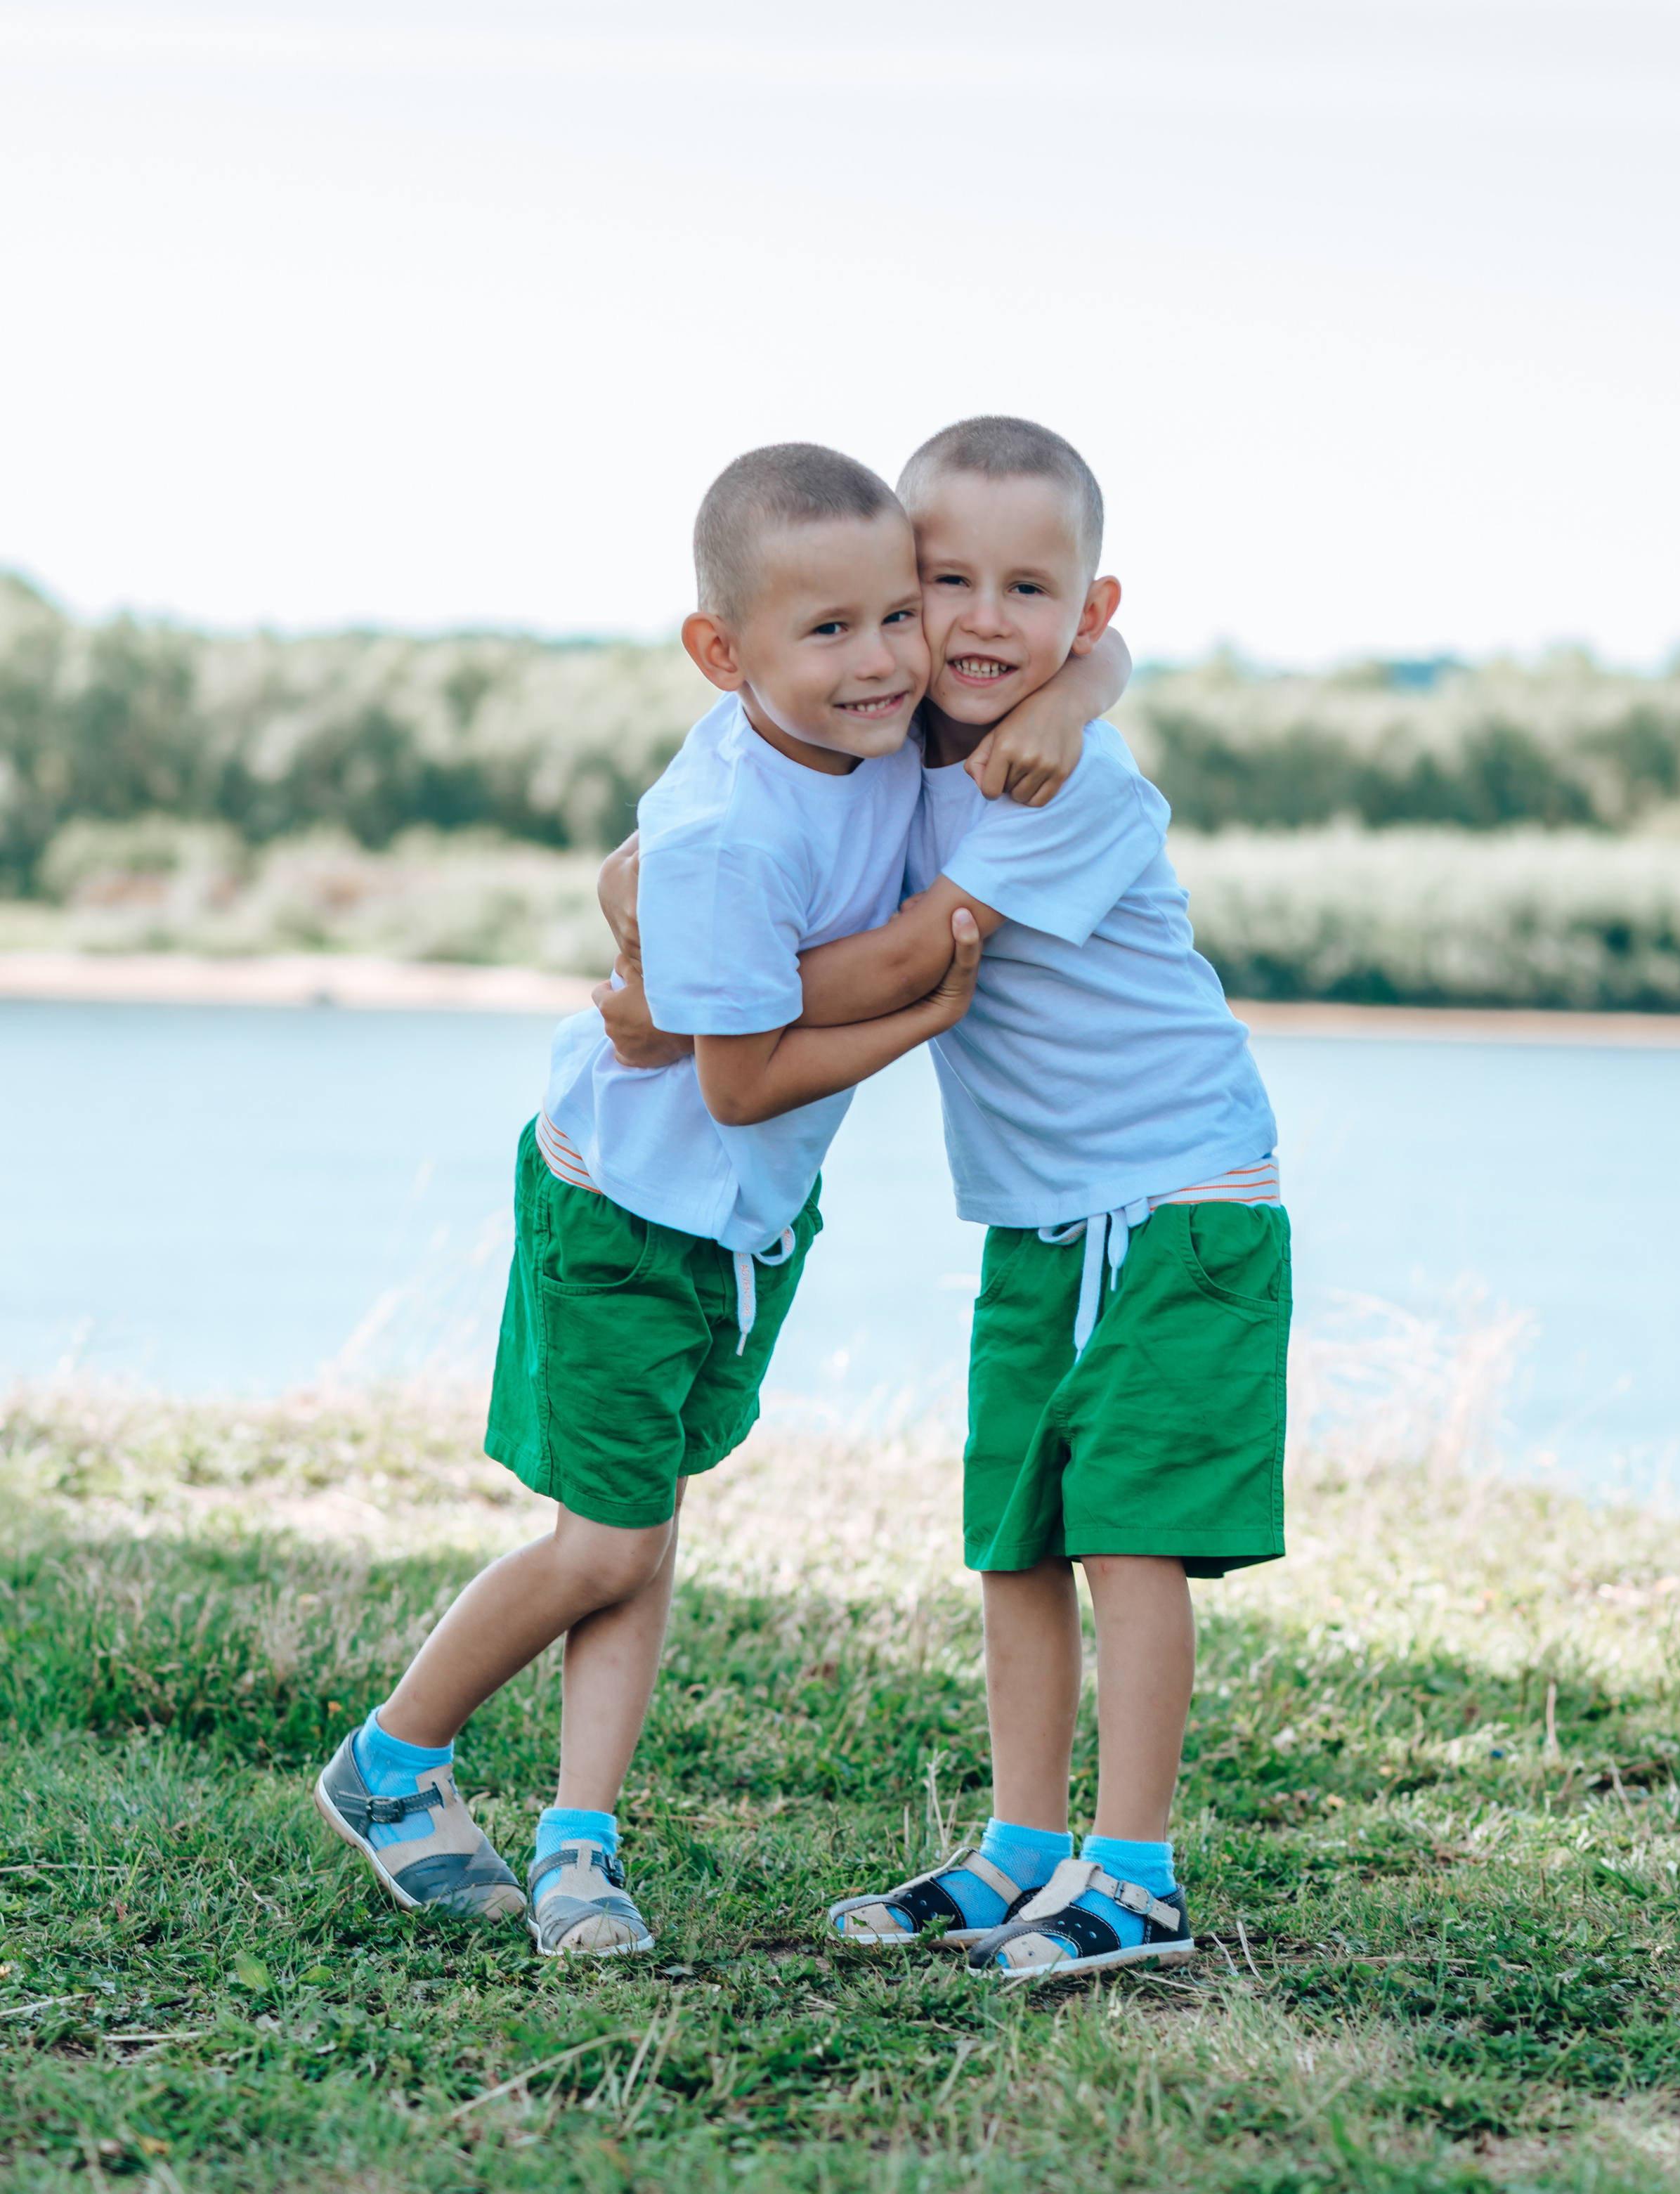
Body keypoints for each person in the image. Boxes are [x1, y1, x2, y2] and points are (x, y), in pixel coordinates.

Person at [315, 440, 1119, 1960]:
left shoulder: (874, 733)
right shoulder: (726, 825)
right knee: (606, 1545)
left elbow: (1097, 636)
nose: (888, 660)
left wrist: (1075, 692)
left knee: (641, 1533)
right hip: (626, 1203)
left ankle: (576, 1845)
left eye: (900, 615)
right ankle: (391, 1765)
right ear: (720, 651)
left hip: (737, 1218)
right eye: (829, 632)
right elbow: (743, 1080)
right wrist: (915, 1020)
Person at [743, 416, 1283, 1982]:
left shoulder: (1074, 777)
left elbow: (915, 959)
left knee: (1126, 1536)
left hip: (1173, 1195)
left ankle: (1135, 1875)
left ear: (1086, 615)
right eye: (943, 580)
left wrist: (709, 993)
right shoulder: (891, 747)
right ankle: (1020, 1851)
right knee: (1016, 1540)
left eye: (1025, 591)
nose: (980, 620)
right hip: (1042, 1212)